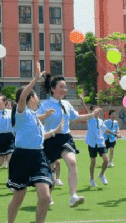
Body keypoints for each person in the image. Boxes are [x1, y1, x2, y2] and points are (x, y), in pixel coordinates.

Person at [2, 64, 58, 223]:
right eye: (33, 95)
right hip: (21, 157)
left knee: (45, 196)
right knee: (19, 197)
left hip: (38, 157)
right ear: (28, 98)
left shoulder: (34, 117)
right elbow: (24, 94)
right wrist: (35, 79)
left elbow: (39, 138)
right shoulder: (21, 113)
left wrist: (54, 131)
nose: (35, 97)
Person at [39, 74, 100, 209]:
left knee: (72, 162)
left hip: (65, 138)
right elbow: (36, 119)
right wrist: (45, 115)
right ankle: (46, 196)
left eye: (65, 87)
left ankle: (73, 196)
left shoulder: (66, 104)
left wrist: (91, 115)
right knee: (50, 175)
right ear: (53, 89)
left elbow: (76, 117)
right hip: (50, 139)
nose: (64, 90)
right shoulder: (45, 104)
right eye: (61, 87)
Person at [85, 104, 110, 187]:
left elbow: (105, 130)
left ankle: (101, 174)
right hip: (92, 143)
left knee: (106, 160)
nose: (97, 112)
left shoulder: (101, 121)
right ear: (92, 111)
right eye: (96, 110)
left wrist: (114, 134)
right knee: (93, 162)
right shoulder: (90, 118)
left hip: (100, 143)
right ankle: (91, 178)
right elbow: (85, 108)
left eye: (98, 110)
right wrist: (82, 100)